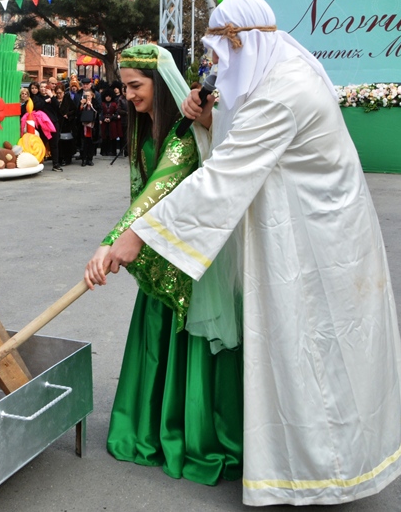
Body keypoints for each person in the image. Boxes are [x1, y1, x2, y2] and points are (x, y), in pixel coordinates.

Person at [99, 0, 401, 506]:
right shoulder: (280, 71)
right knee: (316, 351)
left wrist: (137, 236)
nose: (215, 70)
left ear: (240, 42)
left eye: (219, 58)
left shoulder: (283, 92)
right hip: (316, 238)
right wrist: (209, 122)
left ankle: (325, 471)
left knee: (314, 353)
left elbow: (226, 176)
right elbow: (243, 142)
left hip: (314, 249)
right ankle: (320, 461)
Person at [83, 44, 243, 489]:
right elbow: (142, 195)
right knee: (156, 341)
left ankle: (191, 435)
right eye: (124, 86)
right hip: (159, 254)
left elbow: (159, 190)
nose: (128, 95)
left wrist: (112, 241)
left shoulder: (182, 133)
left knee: (184, 345)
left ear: (161, 85)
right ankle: (152, 428)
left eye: (136, 85)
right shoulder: (144, 132)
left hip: (189, 260)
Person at [98, 91, 122, 157]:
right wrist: (103, 118)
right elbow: (100, 113)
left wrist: (111, 118)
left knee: (113, 136)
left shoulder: (114, 104)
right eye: (106, 96)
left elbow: (117, 113)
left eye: (109, 96)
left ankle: (112, 151)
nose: (108, 98)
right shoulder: (102, 104)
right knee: (104, 137)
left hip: (112, 122)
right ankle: (104, 151)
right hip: (104, 122)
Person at [78, 90, 97, 166]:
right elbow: (78, 115)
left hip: (92, 127)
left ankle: (90, 159)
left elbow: (97, 113)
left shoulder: (94, 103)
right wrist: (82, 105)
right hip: (84, 127)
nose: (87, 97)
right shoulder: (82, 103)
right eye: (85, 96)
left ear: (92, 96)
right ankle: (84, 159)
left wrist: (91, 105)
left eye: (88, 96)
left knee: (91, 144)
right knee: (84, 144)